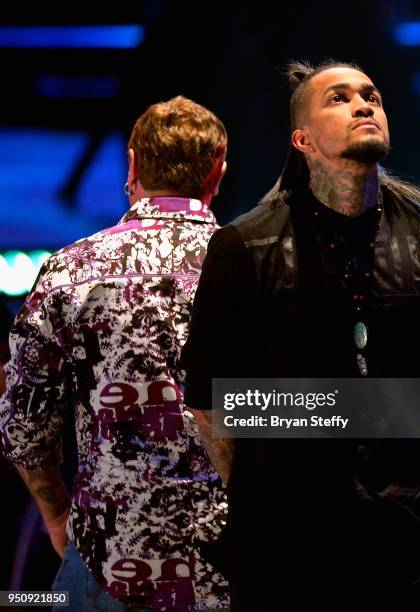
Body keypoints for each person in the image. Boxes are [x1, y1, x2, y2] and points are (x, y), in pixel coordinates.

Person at [182, 60, 420, 611]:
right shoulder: (245, 246)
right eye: (339, 98)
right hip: (286, 546)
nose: (364, 105)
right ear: (302, 139)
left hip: (407, 549)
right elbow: (209, 401)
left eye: (372, 96)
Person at [0, 96, 230, 611]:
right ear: (217, 171)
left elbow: (22, 426)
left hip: (108, 562)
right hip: (229, 565)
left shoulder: (69, 271)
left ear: (132, 164)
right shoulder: (257, 271)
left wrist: (56, 517)